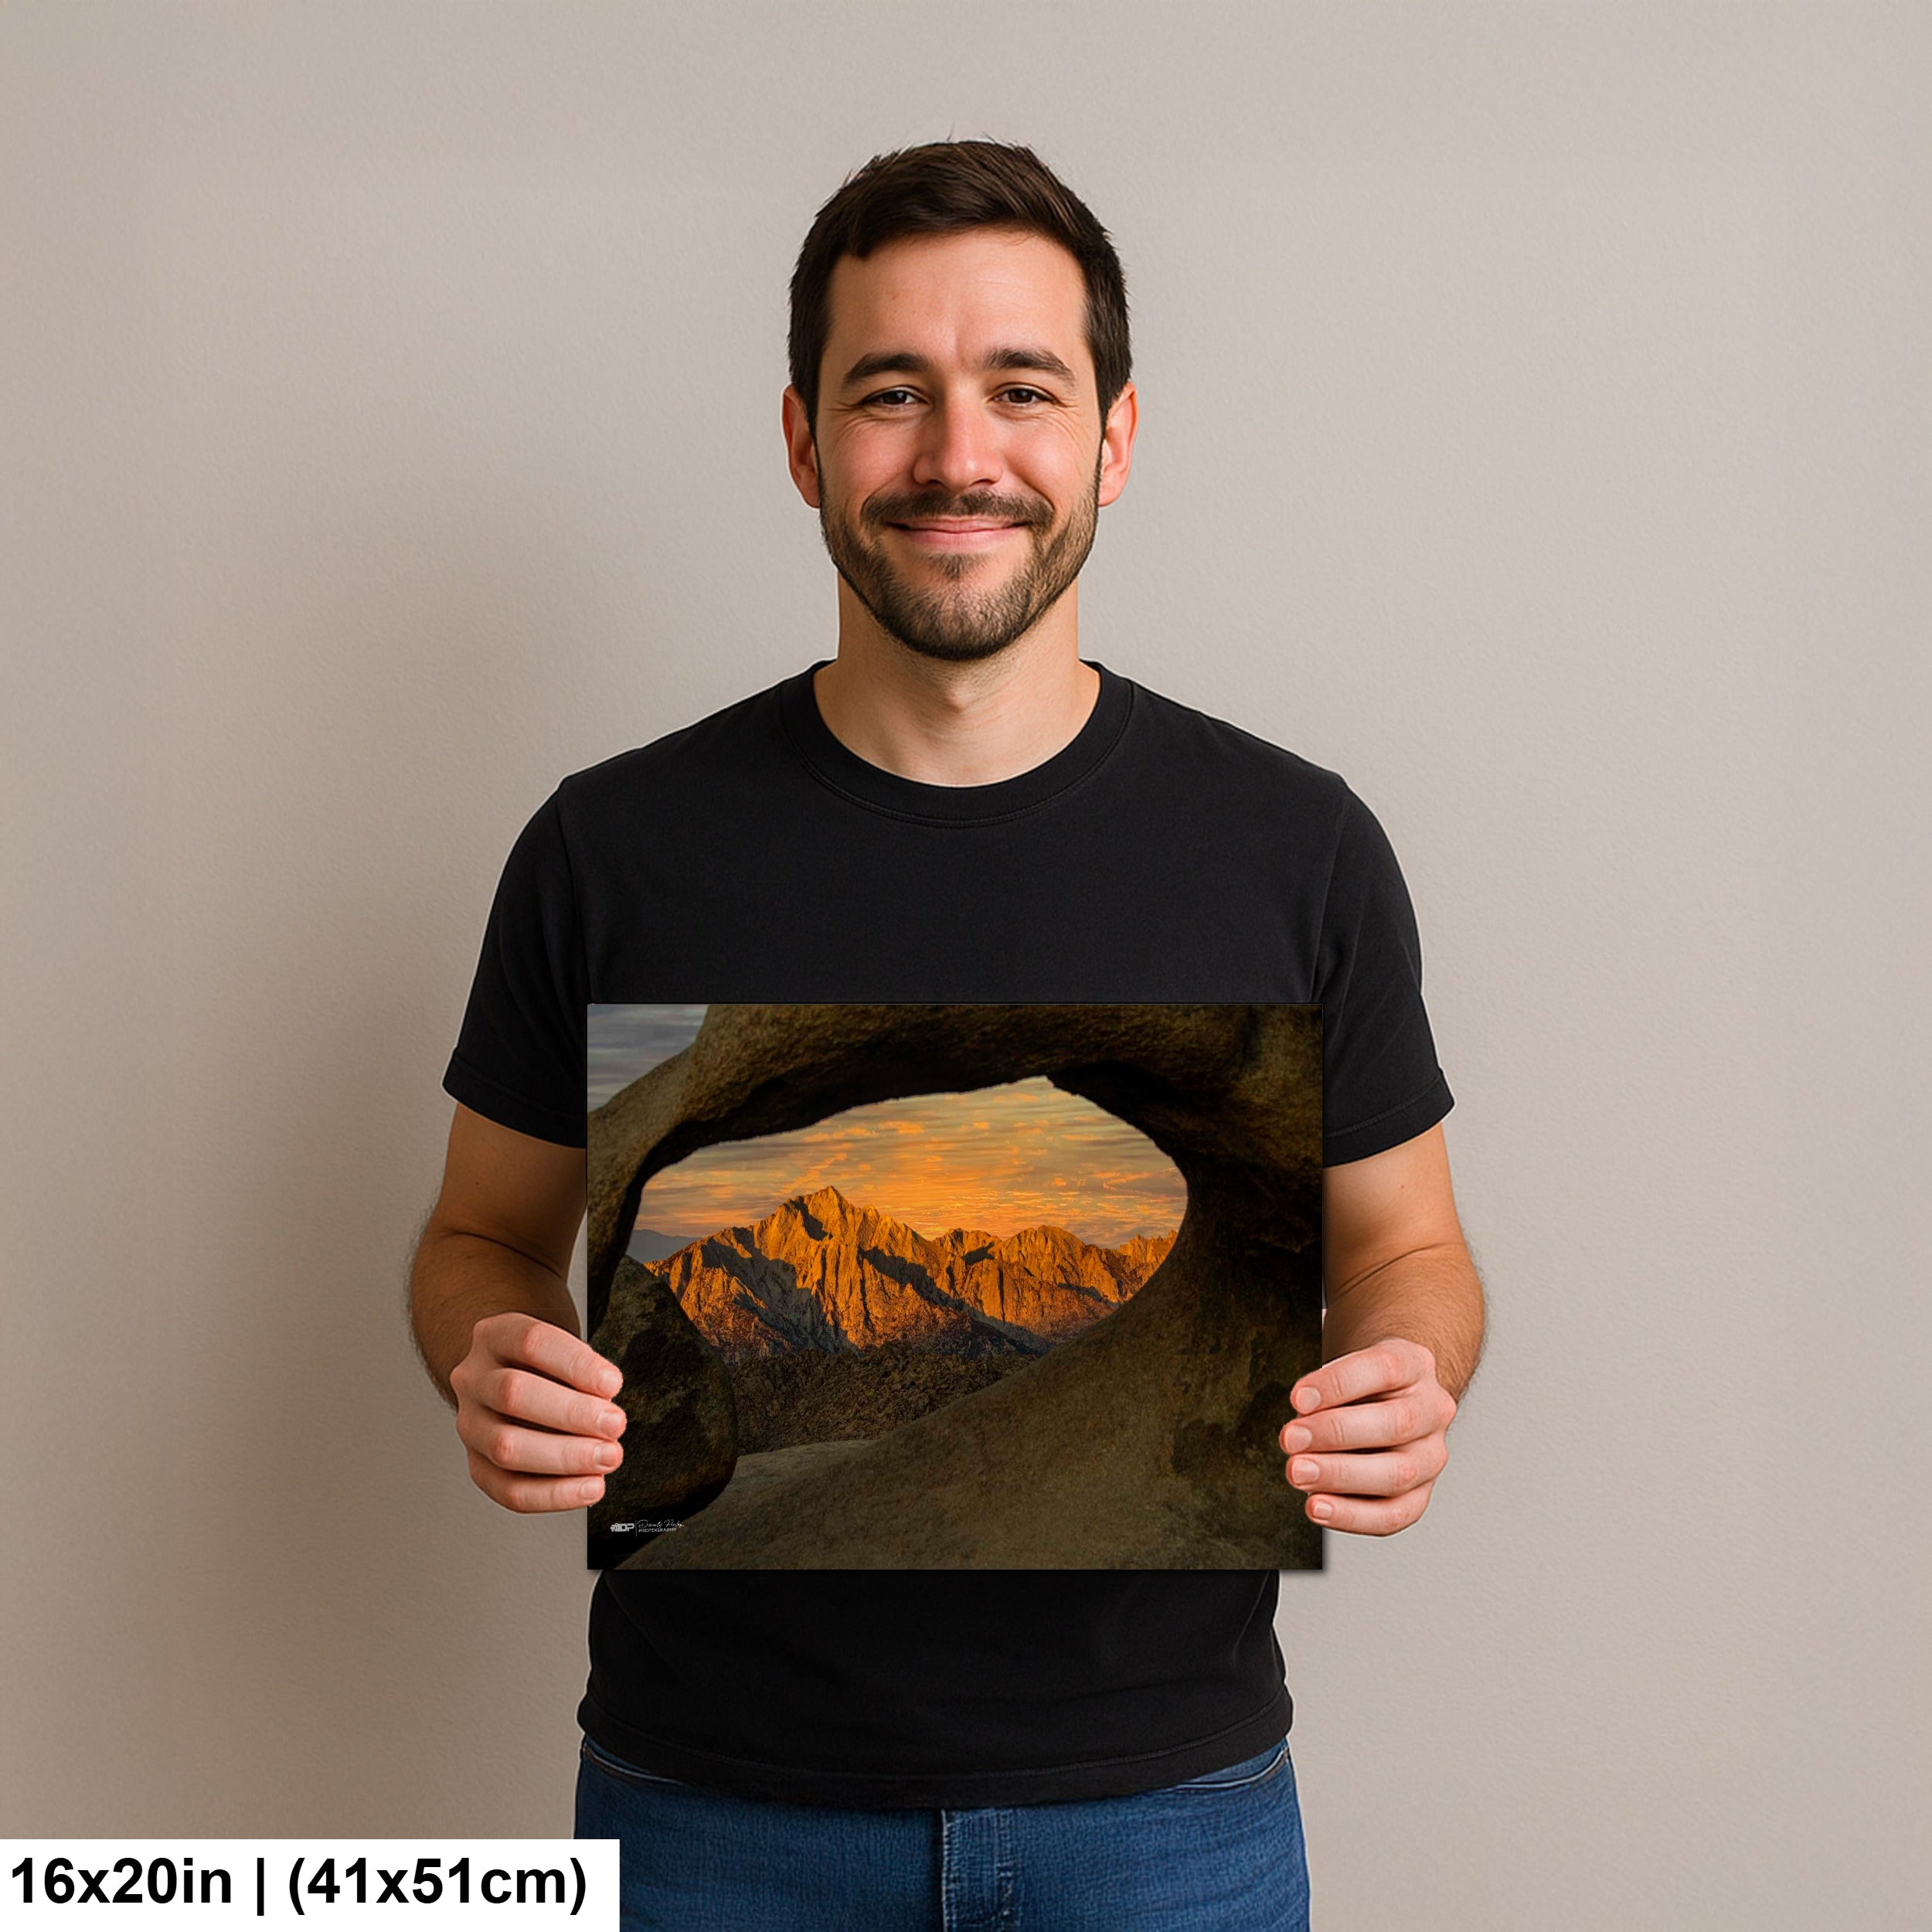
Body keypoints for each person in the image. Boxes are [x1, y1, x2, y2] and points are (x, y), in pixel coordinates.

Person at [409, 138, 1485, 1930]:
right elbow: (475, 1238)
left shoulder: (1294, 847)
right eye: (889, 393)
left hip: (1170, 1814)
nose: (956, 454)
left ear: (1113, 440)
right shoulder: (612, 847)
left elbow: (1414, 1252)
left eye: (1020, 389)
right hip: (707, 1818)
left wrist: (1409, 1372)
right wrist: (496, 1351)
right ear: (800, 440)